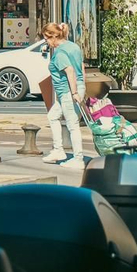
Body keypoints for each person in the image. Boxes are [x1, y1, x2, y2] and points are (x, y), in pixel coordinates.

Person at [42, 22, 87, 171]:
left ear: (53, 36)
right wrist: (82, 88)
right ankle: (58, 150)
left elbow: (70, 71)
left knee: (73, 126)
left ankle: (78, 158)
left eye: (46, 39)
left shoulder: (60, 53)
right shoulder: (73, 46)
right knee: (53, 116)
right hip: (75, 88)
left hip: (68, 92)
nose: (47, 43)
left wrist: (74, 93)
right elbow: (81, 67)